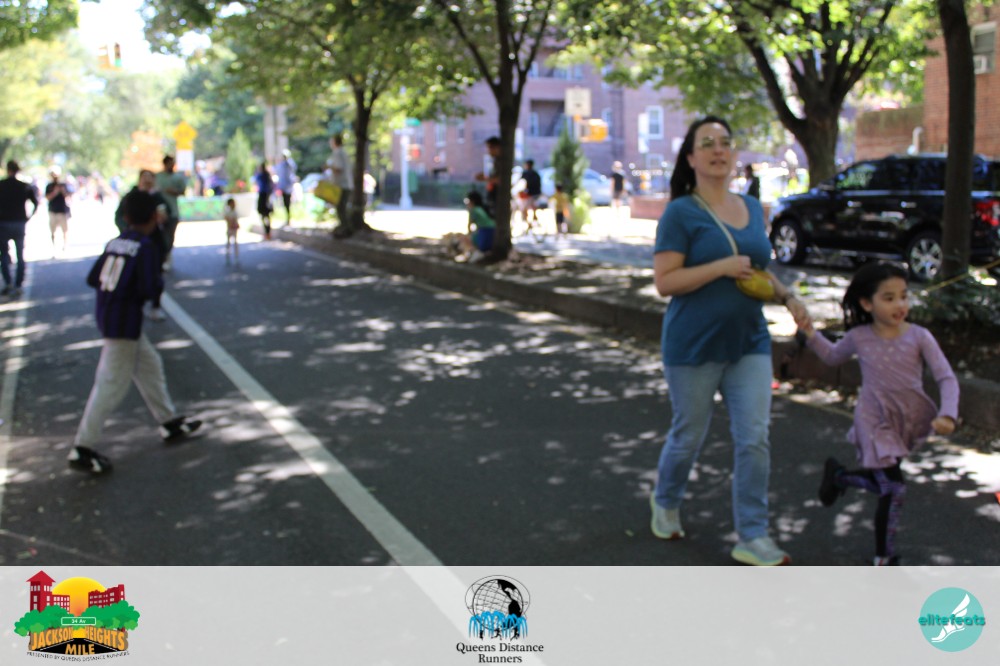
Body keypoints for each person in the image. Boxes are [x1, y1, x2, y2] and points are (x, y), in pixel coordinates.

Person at [650, 115, 809, 566]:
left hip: (748, 342)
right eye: (707, 143)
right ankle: (665, 499)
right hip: (693, 345)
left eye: (725, 142)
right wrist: (720, 268)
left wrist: (788, 297)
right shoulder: (681, 212)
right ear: (691, 157)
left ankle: (753, 535)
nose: (718, 150)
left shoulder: (752, 208)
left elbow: (757, 271)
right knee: (688, 436)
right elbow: (665, 281)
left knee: (754, 438)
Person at [800, 262, 959, 565]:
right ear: (866, 303)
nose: (900, 305)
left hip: (905, 420)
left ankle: (840, 477)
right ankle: (884, 558)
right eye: (889, 298)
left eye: (904, 296)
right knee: (893, 487)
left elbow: (946, 378)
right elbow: (832, 356)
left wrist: (948, 414)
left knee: (885, 484)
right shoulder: (860, 336)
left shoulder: (919, 337)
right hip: (873, 421)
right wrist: (809, 333)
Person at [68, 190, 202, 475]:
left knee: (150, 366)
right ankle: (82, 447)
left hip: (109, 315)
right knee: (110, 384)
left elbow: (93, 278)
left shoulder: (116, 242)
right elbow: (149, 287)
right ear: (154, 216)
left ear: (126, 217)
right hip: (124, 323)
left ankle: (168, 421)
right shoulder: (145, 247)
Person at [115, 170, 170, 322]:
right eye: (144, 178)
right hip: (133, 242)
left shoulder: (158, 197)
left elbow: (168, 215)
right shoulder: (130, 197)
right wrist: (128, 230)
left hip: (154, 242)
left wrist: (164, 220)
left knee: (156, 275)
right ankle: (132, 306)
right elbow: (118, 217)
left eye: (150, 178)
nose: (147, 181)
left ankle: (155, 305)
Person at [0, 160, 39, 297]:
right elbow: (36, 203)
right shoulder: (24, 186)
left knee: (4, 255)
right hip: (18, 223)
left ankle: (8, 283)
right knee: (19, 255)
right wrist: (28, 217)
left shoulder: (2, 185)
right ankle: (18, 284)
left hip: (4, 223)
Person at [155, 155, 188, 272]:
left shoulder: (177, 177)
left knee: (170, 236)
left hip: (173, 212)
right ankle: (161, 257)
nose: (172, 165)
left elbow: (183, 191)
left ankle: (167, 256)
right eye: (170, 163)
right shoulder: (157, 177)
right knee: (160, 236)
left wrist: (174, 191)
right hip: (159, 213)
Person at [453, 190, 495, 262]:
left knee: (465, 238)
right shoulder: (482, 208)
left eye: (468, 201)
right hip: (491, 232)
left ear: (472, 201)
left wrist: (469, 236)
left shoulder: (474, 210)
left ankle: (469, 253)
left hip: (485, 233)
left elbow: (469, 226)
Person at [45, 166, 71, 254]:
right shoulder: (49, 186)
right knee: (53, 231)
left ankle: (65, 245)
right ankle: (54, 247)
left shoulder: (63, 185)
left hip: (62, 211)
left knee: (65, 230)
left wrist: (62, 191)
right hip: (52, 211)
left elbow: (68, 196)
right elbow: (47, 197)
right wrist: (55, 192)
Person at [328, 134, 352, 231]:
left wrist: (328, 167)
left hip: (341, 185)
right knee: (342, 207)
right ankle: (345, 227)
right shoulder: (343, 152)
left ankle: (345, 228)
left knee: (341, 208)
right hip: (346, 184)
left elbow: (339, 168)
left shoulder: (337, 153)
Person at [475, 136, 502, 217]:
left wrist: (485, 178)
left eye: (490, 147)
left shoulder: (501, 161)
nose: (489, 150)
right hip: (493, 195)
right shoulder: (495, 161)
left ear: (497, 147)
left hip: (498, 196)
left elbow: (501, 179)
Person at [275, 149, 297, 226]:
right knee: (285, 203)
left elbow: (293, 169)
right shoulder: (281, 165)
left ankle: (289, 218)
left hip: (288, 187)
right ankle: (288, 218)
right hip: (283, 186)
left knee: (288, 202)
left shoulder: (289, 163)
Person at [518, 159, 543, 228]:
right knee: (532, 208)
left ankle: (529, 223)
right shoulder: (535, 174)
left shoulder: (527, 174)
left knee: (525, 209)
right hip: (533, 194)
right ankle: (531, 221)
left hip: (529, 195)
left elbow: (521, 183)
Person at [254, 162, 275, 240]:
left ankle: (267, 232)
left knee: (264, 216)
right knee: (266, 216)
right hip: (266, 197)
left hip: (264, 197)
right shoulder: (266, 175)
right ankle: (267, 232)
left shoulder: (261, 175)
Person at [224, 197, 240, 262]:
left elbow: (236, 219)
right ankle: (228, 255)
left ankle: (236, 256)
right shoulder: (228, 211)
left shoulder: (235, 211)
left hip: (234, 229)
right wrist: (230, 223)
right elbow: (226, 218)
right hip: (230, 228)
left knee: (235, 242)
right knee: (228, 242)